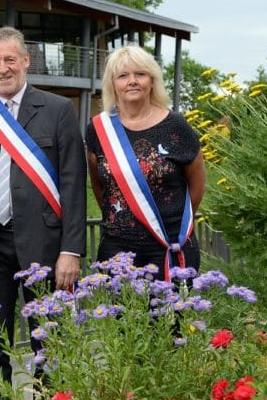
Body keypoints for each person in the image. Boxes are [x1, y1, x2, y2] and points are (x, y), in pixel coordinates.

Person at [0, 27, 86, 382]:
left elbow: (74, 185)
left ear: (26, 61)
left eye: (9, 60)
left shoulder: (58, 110)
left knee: (49, 342)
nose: (2, 68)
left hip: (45, 247)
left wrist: (71, 250)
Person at [85, 45, 205, 279]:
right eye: (123, 76)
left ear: (152, 80)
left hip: (170, 245)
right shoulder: (98, 129)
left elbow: (197, 184)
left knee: (171, 316)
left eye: (140, 74)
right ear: (113, 84)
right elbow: (99, 185)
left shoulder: (176, 126)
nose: (132, 81)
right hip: (117, 248)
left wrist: (173, 225)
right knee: (117, 316)